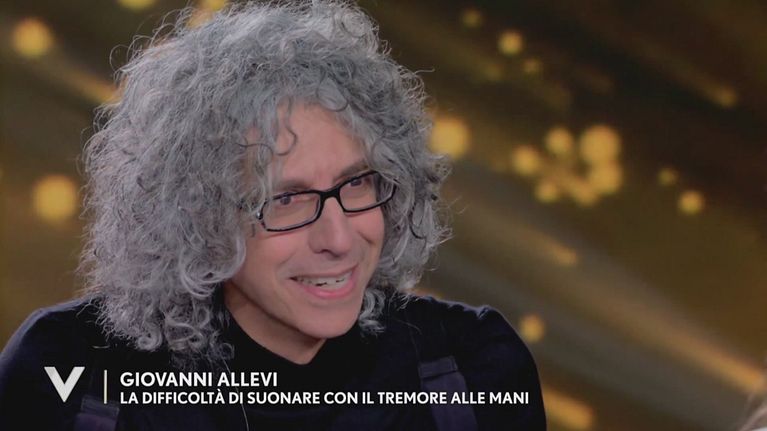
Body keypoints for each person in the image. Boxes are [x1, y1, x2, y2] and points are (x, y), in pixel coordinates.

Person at [0, 1, 546, 429]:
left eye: (357, 183)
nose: (339, 238)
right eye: (286, 199)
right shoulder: (67, 374)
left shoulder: (474, 369)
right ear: (197, 217)